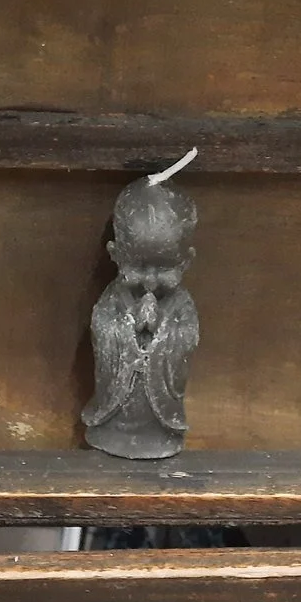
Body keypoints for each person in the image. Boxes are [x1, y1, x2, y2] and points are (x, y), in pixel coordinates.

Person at [82, 174, 200, 461]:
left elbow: (188, 336)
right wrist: (128, 325)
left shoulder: (179, 301)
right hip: (117, 408)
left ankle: (159, 436)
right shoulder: (115, 296)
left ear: (186, 261)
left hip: (159, 410)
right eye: (137, 267)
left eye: (164, 270)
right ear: (115, 255)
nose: (150, 280)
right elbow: (102, 326)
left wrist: (162, 330)